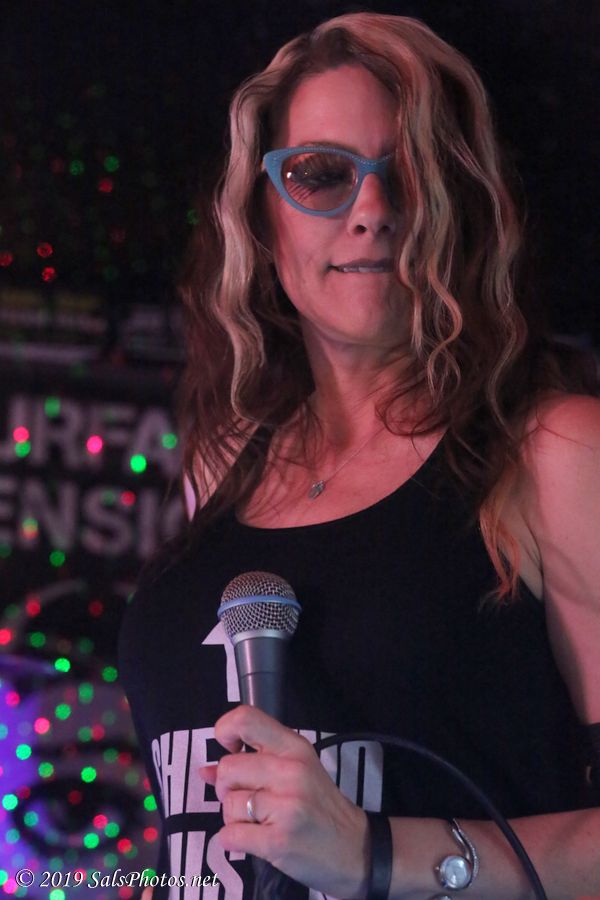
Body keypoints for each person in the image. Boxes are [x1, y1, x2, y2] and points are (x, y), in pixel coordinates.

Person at [119, 12, 600, 900]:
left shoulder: (556, 453)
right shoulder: (224, 462)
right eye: (320, 174)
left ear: (460, 208)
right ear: (261, 216)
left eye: (411, 175)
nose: (372, 213)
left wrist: (374, 854)